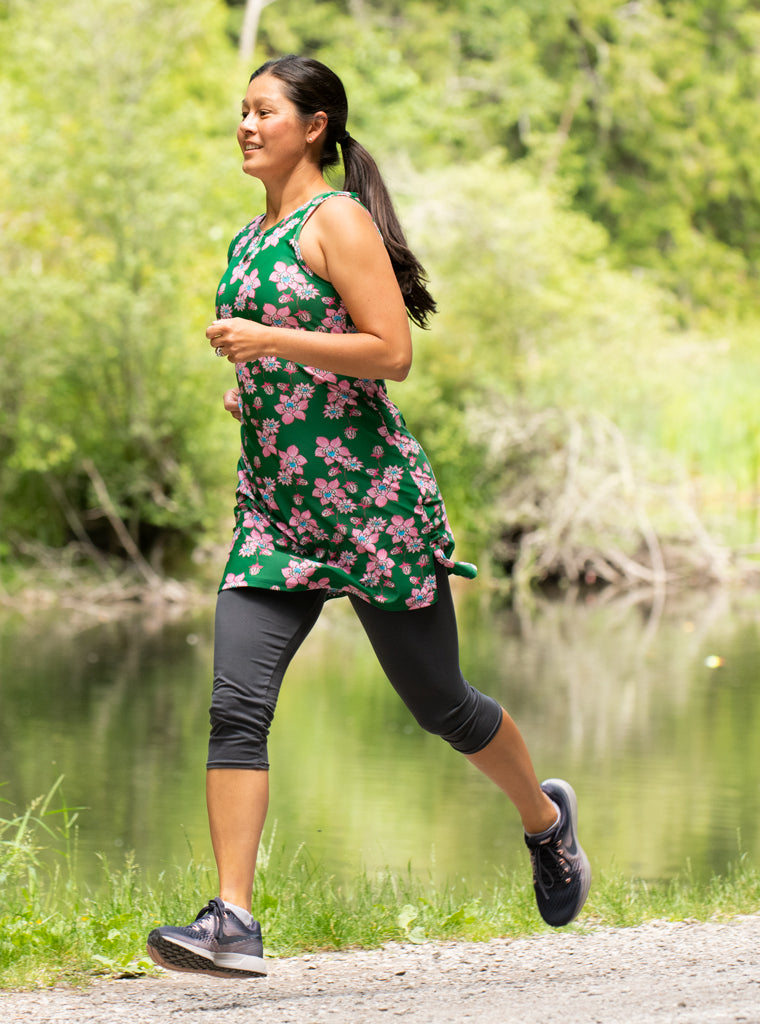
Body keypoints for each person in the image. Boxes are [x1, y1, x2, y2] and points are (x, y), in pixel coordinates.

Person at [146, 54, 590, 979]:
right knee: (235, 707)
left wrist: (270, 341)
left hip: (371, 509)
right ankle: (232, 919)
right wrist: (257, 389)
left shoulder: (337, 221)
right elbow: (302, 364)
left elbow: (390, 352)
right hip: (276, 513)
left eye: (264, 111)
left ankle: (546, 822)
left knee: (444, 706)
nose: (245, 125)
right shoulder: (247, 239)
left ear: (314, 127)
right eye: (241, 111)